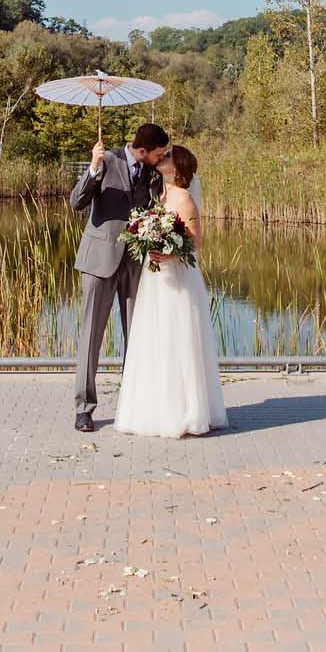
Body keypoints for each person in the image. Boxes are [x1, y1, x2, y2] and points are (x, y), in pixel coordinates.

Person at [113, 144, 226, 438]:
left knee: (179, 339)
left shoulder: (184, 199)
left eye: (167, 157)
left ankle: (186, 411)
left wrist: (171, 253)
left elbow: (196, 241)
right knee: (156, 339)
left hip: (178, 279)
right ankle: (156, 408)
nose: (160, 159)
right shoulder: (158, 196)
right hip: (155, 280)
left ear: (178, 168)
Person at [68, 121, 168, 432]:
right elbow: (76, 202)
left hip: (135, 264)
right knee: (91, 338)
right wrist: (94, 168)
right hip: (99, 261)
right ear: (142, 150)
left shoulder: (154, 172)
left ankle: (132, 404)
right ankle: (84, 408)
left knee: (137, 338)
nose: (161, 158)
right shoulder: (108, 160)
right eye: (158, 154)